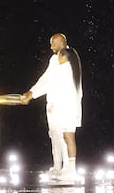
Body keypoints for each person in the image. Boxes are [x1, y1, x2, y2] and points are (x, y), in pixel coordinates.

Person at [21, 31, 82, 181]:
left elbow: (50, 82)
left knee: (66, 137)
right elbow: (46, 78)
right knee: (55, 136)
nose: (51, 47)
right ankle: (57, 168)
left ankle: (70, 170)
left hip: (67, 106)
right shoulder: (54, 60)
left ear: (61, 42)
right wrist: (31, 92)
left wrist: (32, 94)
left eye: (53, 43)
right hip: (54, 106)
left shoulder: (70, 56)